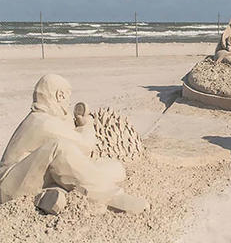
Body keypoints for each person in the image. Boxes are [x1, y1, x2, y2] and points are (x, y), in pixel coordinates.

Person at [0, 74, 148, 212]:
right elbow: (85, 146)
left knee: (113, 168)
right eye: (68, 97)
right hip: (11, 186)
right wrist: (86, 125)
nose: (69, 102)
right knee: (59, 147)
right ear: (60, 95)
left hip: (33, 178)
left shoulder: (48, 119)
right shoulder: (42, 122)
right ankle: (110, 196)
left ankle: (51, 195)